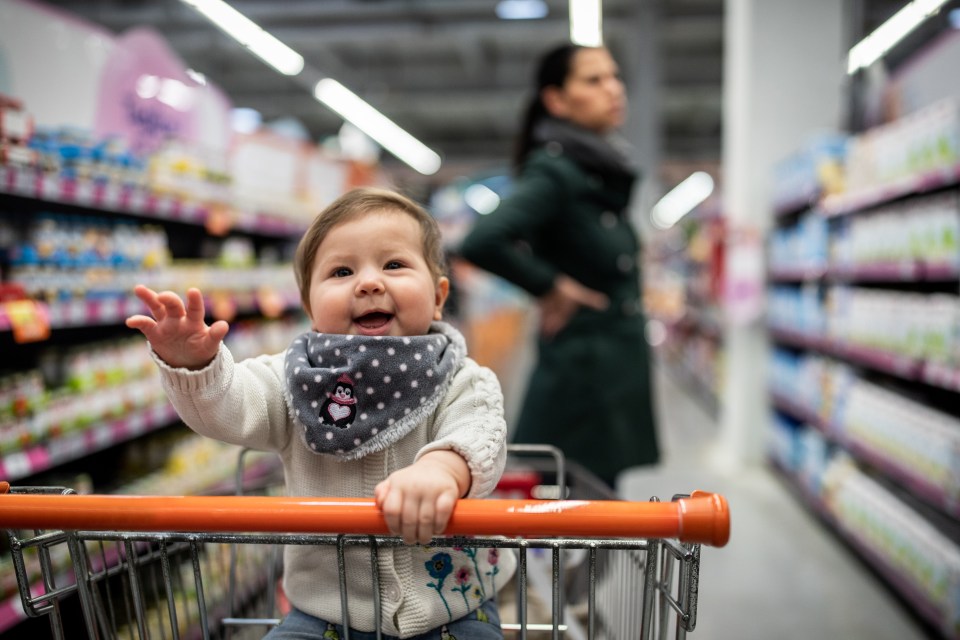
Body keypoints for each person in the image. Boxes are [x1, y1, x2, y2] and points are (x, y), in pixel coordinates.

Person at [127, 187, 514, 640]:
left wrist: (442, 470)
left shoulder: (463, 378)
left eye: (394, 264)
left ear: (438, 295)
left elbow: (478, 431)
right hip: (325, 614)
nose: (369, 283)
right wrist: (195, 366)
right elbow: (233, 406)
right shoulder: (295, 380)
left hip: (452, 607)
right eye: (341, 271)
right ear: (311, 307)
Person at [459, 43, 659, 489]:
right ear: (557, 99)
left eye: (614, 76)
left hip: (606, 364)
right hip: (584, 370)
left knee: (598, 509)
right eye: (594, 80)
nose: (614, 89)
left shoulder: (596, 166)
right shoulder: (557, 171)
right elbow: (482, 239)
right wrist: (552, 286)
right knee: (585, 515)